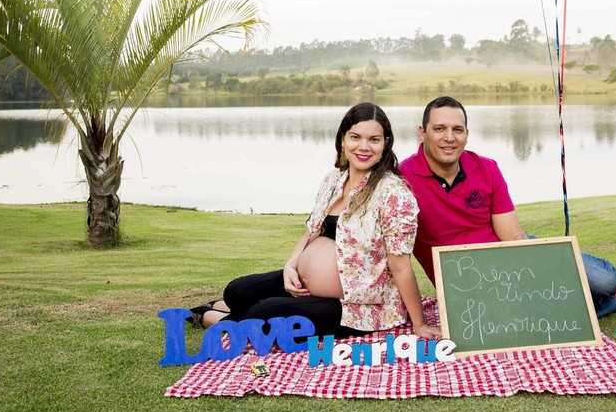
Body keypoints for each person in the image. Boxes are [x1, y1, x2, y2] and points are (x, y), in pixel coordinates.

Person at [187, 102, 440, 340]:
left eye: (373, 139)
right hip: (306, 283)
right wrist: (290, 267)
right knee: (237, 291)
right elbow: (312, 231)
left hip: (355, 306)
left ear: (385, 143)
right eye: (356, 137)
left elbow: (400, 266)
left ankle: (217, 319)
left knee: (266, 310)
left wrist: (418, 324)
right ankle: (234, 309)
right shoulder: (333, 180)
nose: (364, 147)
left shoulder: (393, 193)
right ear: (343, 138)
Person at [398, 96, 616, 319]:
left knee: (604, 280)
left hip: (510, 259)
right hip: (463, 283)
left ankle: (602, 284)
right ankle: (614, 300)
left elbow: (513, 236)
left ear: (467, 133)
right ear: (423, 132)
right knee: (526, 316)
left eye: (458, 129)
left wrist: (536, 271)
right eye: (439, 128)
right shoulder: (402, 181)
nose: (449, 138)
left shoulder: (486, 168)